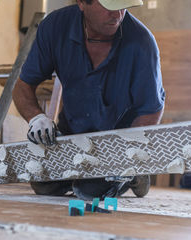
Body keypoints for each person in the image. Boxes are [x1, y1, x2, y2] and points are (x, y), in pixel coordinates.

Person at [12, 0, 165, 200]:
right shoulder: (55, 27)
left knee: (89, 191)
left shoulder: (142, 42)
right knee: (44, 186)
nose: (118, 15)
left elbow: (151, 109)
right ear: (82, 3)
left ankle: (135, 175)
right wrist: (36, 118)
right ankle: (106, 174)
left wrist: (128, 154)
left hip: (118, 139)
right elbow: (23, 86)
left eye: (123, 6)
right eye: (110, 6)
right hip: (73, 131)